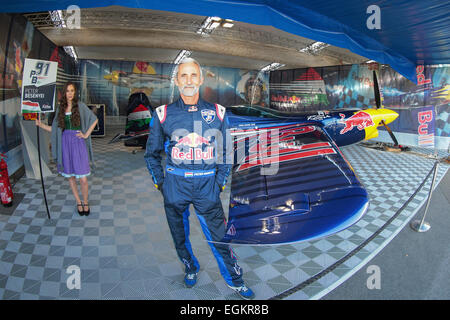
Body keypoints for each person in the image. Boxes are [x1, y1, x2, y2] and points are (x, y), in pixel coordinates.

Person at [144, 58, 255, 299]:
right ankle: (191, 267)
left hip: (207, 188)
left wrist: (219, 184)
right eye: (183, 76)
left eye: (193, 75)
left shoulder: (217, 112)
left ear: (201, 79)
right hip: (175, 187)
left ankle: (235, 280)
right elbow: (151, 154)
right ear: (176, 80)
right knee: (179, 238)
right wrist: (162, 185)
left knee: (220, 239)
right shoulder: (162, 114)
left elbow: (226, 153)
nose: (189, 81)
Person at [36, 82, 98, 216]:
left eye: (72, 91)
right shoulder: (60, 109)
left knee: (83, 178)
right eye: (67, 91)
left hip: (78, 142)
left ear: (75, 93)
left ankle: (85, 201)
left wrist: (86, 134)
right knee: (70, 177)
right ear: (64, 93)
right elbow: (55, 131)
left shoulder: (80, 106)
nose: (70, 93)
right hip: (65, 144)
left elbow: (94, 119)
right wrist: (40, 125)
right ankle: (78, 202)